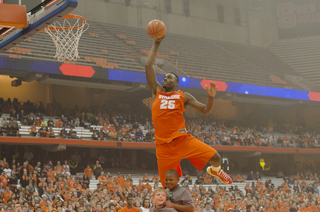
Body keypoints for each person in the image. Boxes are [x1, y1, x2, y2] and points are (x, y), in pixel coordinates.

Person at [145, 37, 232, 187]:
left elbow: (205, 110)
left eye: (169, 77)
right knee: (167, 187)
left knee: (216, 158)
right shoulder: (157, 92)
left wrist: (211, 97)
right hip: (163, 147)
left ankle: (216, 171)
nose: (165, 78)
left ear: (176, 83)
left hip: (182, 141)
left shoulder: (183, 96)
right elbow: (148, 66)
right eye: (164, 77)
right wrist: (157, 43)